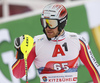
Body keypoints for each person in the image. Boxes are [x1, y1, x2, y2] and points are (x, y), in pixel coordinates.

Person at [12, 3, 100, 83]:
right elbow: (18, 74)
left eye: (51, 23)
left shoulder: (78, 40)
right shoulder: (35, 43)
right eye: (44, 22)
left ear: (62, 23)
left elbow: (95, 70)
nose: (47, 28)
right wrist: (20, 53)